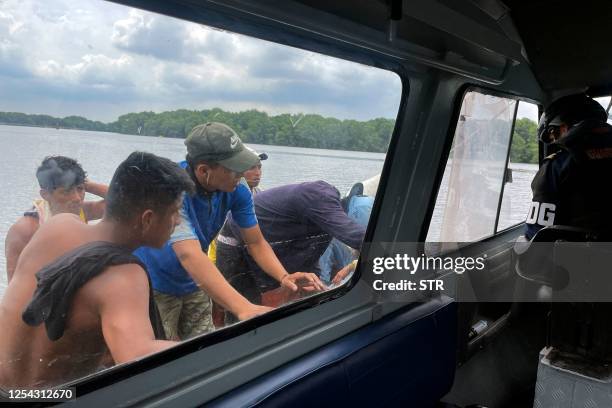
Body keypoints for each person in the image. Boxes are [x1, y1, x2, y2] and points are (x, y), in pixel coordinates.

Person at [0, 152, 194, 389]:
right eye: (175, 212)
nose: (177, 222)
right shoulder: (123, 277)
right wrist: (210, 349)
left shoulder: (56, 226)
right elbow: (136, 355)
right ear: (147, 220)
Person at [135, 122, 324, 340]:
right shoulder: (172, 190)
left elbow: (255, 242)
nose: (241, 173)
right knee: (163, 352)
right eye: (234, 168)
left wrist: (284, 277)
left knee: (203, 344)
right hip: (155, 281)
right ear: (204, 170)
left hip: (195, 279)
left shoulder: (237, 188)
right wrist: (244, 307)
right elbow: (189, 254)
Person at [216, 180, 366, 309]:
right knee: (248, 306)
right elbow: (356, 236)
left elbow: (314, 253)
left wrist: (316, 281)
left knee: (303, 289)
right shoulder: (319, 197)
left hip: (274, 243)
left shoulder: (325, 219)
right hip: (237, 240)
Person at [4, 156, 107, 282]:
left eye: (80, 189)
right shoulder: (26, 229)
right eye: (66, 192)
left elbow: (125, 203)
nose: (77, 198)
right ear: (45, 194)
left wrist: (87, 185)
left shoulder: (81, 211)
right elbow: (14, 287)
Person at [525, 94, 612, 240]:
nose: (555, 141)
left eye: (553, 133)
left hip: (578, 259)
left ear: (564, 126)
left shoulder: (556, 166)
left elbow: (536, 235)